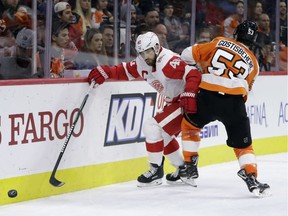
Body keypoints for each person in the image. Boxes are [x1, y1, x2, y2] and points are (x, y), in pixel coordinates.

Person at [87, 31, 201, 187]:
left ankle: (155, 170)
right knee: (163, 134)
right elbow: (125, 70)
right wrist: (106, 71)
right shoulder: (143, 61)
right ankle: (183, 170)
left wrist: (189, 94)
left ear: (156, 47)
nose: (145, 56)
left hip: (185, 102)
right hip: (174, 102)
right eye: (141, 53)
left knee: (151, 126)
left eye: (148, 51)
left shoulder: (168, 61)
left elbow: (193, 73)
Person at [180, 20, 270, 196]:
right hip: (234, 103)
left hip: (207, 96)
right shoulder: (255, 64)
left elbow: (186, 54)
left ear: (235, 34)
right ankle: (250, 175)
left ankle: (190, 166)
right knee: (244, 146)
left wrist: (200, 68)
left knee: (190, 127)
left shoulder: (220, 41)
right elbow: (246, 89)